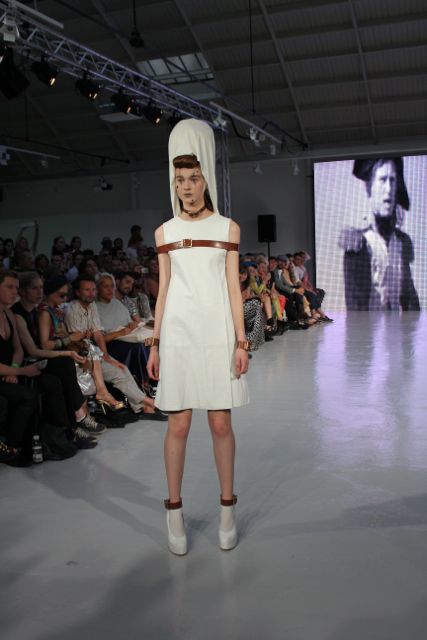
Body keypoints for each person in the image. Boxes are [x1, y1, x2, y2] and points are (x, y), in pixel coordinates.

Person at [146, 119, 250, 555]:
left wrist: (242, 341)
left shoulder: (228, 228)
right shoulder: (165, 232)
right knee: (180, 423)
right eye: (179, 179)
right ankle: (174, 511)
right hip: (178, 334)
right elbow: (164, 289)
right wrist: (154, 343)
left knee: (221, 423)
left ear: (206, 177)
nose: (186, 187)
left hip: (217, 333)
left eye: (193, 177)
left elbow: (233, 288)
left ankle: (227, 509)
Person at [66, 274, 162, 417]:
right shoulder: (73, 309)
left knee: (123, 369)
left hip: (95, 353)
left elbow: (97, 333)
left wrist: (106, 357)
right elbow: (79, 340)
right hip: (81, 356)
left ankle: (143, 407)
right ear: (78, 292)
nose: (91, 293)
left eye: (92, 289)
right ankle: (149, 402)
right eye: (87, 290)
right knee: (122, 368)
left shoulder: (92, 306)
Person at [338, 157, 420, 310]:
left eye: (392, 180)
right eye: (382, 180)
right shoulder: (358, 242)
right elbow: (355, 305)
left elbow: (410, 297)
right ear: (369, 186)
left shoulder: (403, 241)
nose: (388, 189)